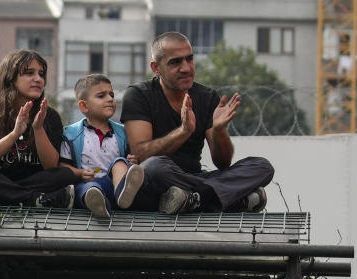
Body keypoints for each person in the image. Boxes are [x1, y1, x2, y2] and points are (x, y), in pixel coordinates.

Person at [120, 31, 274, 215]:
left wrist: (219, 131)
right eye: (175, 62)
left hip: (194, 178)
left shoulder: (207, 97)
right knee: (153, 167)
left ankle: (192, 199)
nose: (186, 68)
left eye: (189, 59)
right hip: (157, 183)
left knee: (262, 167)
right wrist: (184, 131)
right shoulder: (138, 95)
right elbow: (141, 153)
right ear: (156, 68)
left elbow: (223, 163)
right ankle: (226, 200)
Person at [0, 49, 76, 208]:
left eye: (41, 74)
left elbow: (51, 166)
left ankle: (19, 197)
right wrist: (15, 133)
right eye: (29, 73)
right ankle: (35, 200)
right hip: (0, 180)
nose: (38, 79)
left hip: (33, 182)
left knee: (64, 174)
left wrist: (38, 129)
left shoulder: (49, 116)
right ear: (10, 79)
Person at [59, 73, 144, 217]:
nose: (110, 99)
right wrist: (79, 173)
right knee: (89, 189)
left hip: (115, 187)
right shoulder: (71, 134)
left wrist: (133, 162)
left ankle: (123, 194)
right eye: (101, 96)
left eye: (111, 94)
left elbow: (131, 158)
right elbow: (62, 165)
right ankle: (98, 205)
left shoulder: (123, 132)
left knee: (119, 162)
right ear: (84, 106)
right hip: (88, 184)